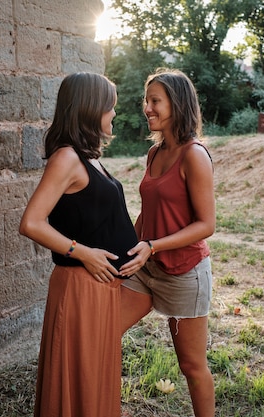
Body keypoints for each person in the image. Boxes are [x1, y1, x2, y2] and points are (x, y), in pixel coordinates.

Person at [19, 72, 146, 417]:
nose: (114, 115)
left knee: (95, 376)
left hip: (101, 287)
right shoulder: (67, 158)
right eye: (110, 108)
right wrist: (82, 252)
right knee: (80, 378)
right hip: (79, 288)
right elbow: (31, 222)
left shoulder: (90, 157)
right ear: (91, 108)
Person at [118, 68, 216, 417]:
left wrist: (154, 246)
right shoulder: (154, 154)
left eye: (155, 101)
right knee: (103, 329)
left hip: (184, 273)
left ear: (176, 104)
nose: (147, 107)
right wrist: (126, 246)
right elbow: (147, 213)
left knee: (191, 366)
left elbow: (207, 224)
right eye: (147, 100)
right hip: (147, 268)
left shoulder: (195, 155)